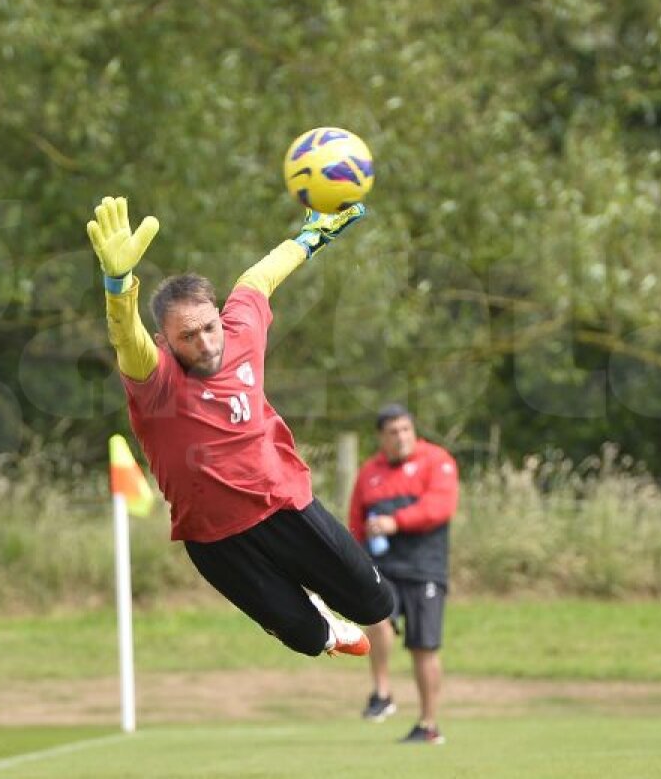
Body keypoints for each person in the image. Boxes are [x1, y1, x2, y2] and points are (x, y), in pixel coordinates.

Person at [87, 195, 393, 659]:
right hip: (215, 538)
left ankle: (322, 604)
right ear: (164, 341)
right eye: (187, 337)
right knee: (310, 640)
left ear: (219, 315)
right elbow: (125, 336)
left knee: (377, 604)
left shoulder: (241, 327)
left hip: (284, 506)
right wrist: (117, 284)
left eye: (209, 327)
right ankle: (320, 621)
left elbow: (261, 276)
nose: (205, 343)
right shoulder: (156, 378)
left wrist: (311, 236)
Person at [348, 404, 459, 745]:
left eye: (406, 430)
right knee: (376, 616)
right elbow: (356, 522)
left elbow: (439, 508)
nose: (401, 438)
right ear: (381, 437)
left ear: (414, 431)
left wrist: (396, 522)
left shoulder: (437, 460)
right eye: (393, 432)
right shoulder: (370, 473)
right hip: (383, 568)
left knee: (423, 648)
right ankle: (382, 692)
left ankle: (428, 725)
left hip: (425, 568)